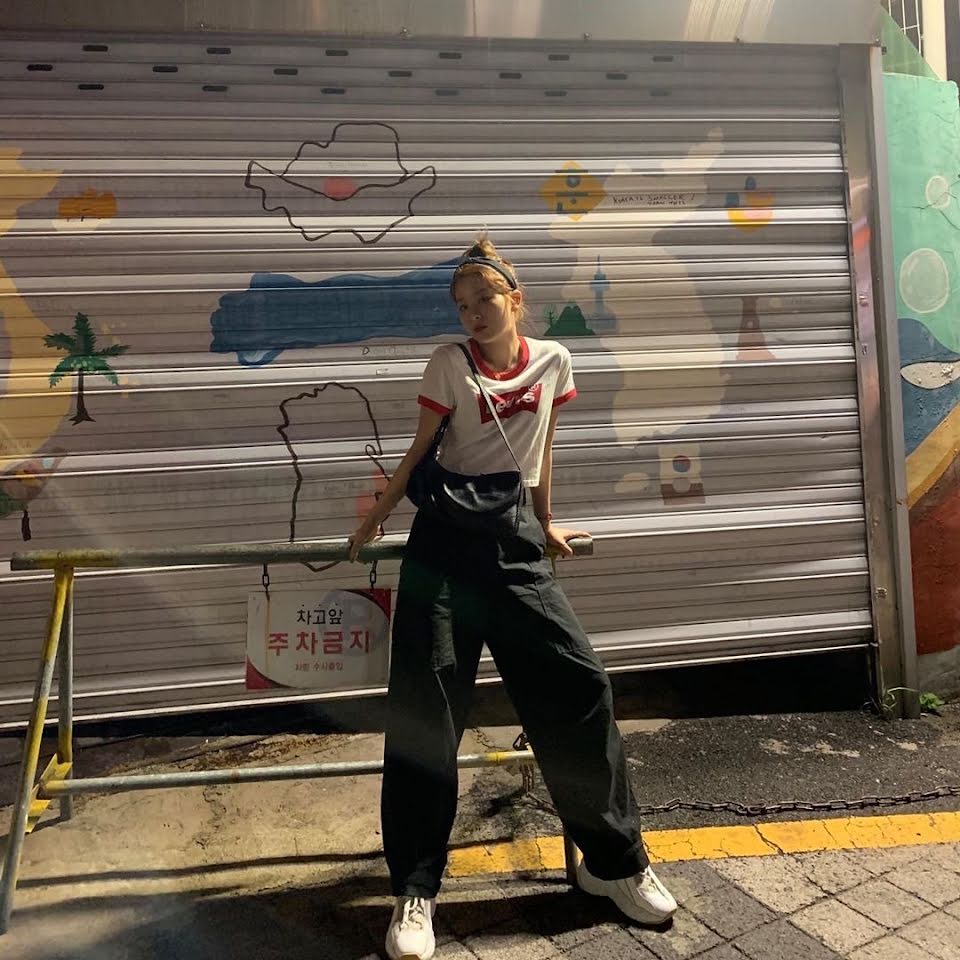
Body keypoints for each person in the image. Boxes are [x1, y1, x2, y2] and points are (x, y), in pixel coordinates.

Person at [349, 239, 676, 960]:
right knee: (427, 709)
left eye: (484, 300)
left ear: (515, 300)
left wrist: (546, 520)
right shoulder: (448, 363)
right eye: (462, 305)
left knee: (578, 685)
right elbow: (419, 450)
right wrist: (376, 517)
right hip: (442, 549)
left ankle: (612, 864)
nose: (473, 314)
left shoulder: (554, 360)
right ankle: (416, 889)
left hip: (516, 541)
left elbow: (543, 446)